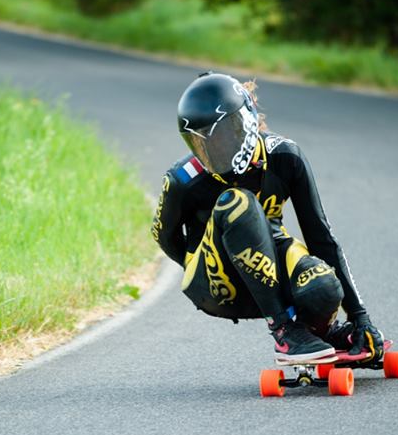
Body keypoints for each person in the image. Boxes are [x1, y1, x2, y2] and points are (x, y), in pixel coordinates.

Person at [151, 72, 384, 364]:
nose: (214, 150)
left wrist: (361, 317)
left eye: (223, 135)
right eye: (202, 144)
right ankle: (284, 330)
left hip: (269, 264)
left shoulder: (286, 157)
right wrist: (198, 268)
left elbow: (321, 238)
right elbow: (164, 235)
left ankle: (320, 333)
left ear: (246, 122)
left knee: (324, 284)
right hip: (218, 283)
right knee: (238, 202)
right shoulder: (182, 180)